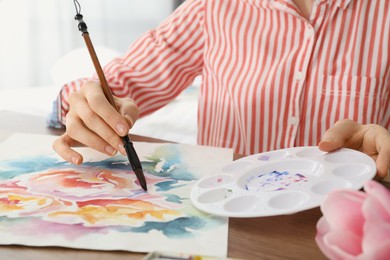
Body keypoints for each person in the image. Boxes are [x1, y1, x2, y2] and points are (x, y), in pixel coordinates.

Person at [50, 0, 390, 179]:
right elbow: (119, 85)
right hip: (222, 219)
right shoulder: (212, 6)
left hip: (338, 227)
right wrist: (82, 103)